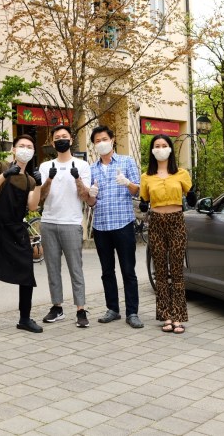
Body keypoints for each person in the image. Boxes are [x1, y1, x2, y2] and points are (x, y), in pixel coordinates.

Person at [0, 134, 44, 335]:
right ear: (14, 150)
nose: (25, 149)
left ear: (33, 152)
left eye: (29, 147)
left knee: (26, 273)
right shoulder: (0, 166)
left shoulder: (29, 179)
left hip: (16, 229)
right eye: (21, 145)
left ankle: (25, 318)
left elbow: (32, 206)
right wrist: (5, 175)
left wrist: (39, 185)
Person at [39, 125, 94, 328]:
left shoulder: (82, 165)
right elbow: (41, 196)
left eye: (64, 136)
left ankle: (80, 309)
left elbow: (86, 196)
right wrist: (49, 179)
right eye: (57, 137)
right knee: (52, 268)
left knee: (75, 268)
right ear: (53, 143)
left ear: (71, 140)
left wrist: (77, 178)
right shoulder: (45, 166)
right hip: (49, 222)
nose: (61, 139)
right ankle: (57, 307)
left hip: (71, 222)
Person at [88, 125, 144, 328]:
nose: (101, 143)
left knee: (128, 270)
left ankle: (132, 312)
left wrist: (128, 183)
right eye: (97, 141)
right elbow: (91, 202)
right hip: (101, 226)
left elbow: (138, 191)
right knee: (107, 271)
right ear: (94, 145)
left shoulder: (126, 161)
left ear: (112, 140)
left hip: (123, 224)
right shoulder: (92, 169)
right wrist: (91, 195)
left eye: (104, 139)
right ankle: (112, 309)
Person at [139, 134, 194, 334]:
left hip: (176, 221)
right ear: (152, 150)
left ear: (170, 149)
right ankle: (166, 316)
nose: (160, 149)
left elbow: (191, 197)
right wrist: (143, 204)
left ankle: (178, 315)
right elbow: (144, 201)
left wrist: (193, 195)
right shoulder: (146, 176)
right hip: (156, 222)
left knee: (177, 270)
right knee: (161, 271)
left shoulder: (181, 173)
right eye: (157, 146)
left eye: (164, 145)